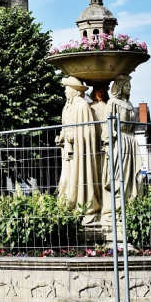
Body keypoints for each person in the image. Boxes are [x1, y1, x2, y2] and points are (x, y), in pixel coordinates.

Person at [55, 76, 101, 224]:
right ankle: (69, 205)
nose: (65, 92)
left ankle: (83, 205)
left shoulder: (82, 106)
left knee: (79, 176)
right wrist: (62, 136)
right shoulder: (67, 106)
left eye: (67, 89)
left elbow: (89, 131)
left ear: (75, 91)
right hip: (69, 150)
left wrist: (75, 135)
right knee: (67, 179)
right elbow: (66, 125)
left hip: (80, 151)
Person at [100, 74, 143, 223]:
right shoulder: (112, 102)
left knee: (135, 177)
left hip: (131, 141)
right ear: (119, 86)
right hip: (120, 142)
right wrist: (109, 142)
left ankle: (130, 208)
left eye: (130, 85)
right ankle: (116, 211)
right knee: (121, 178)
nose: (129, 87)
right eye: (126, 84)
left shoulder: (130, 104)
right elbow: (108, 125)